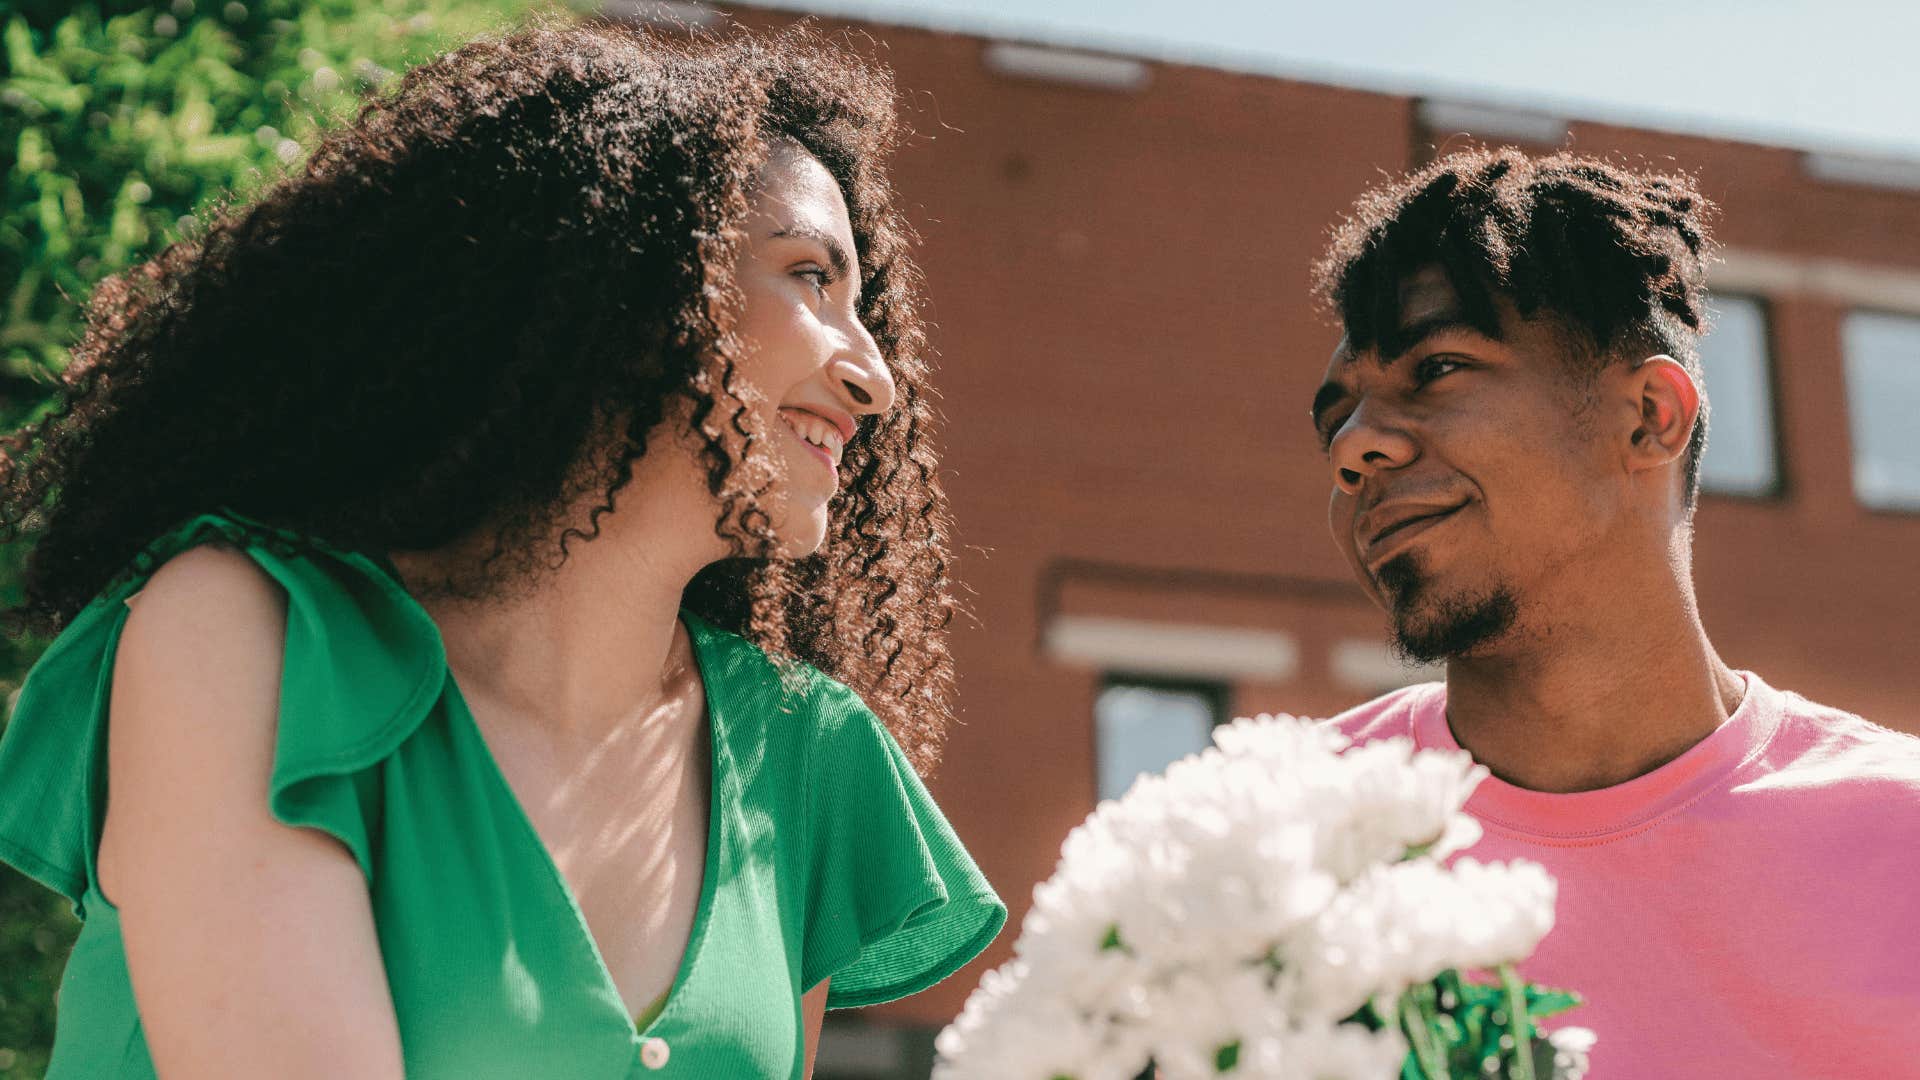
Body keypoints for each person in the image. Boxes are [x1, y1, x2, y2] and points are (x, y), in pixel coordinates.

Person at [0, 19, 1003, 1079]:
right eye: (809, 276)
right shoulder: (253, 640)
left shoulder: (800, 754)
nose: (874, 378)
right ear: (629, 280)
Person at [1308, 149, 1920, 1077]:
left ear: (1649, 417)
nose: (1354, 449)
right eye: (1336, 418)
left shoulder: (1900, 833)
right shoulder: (1276, 847)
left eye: (1435, 368)